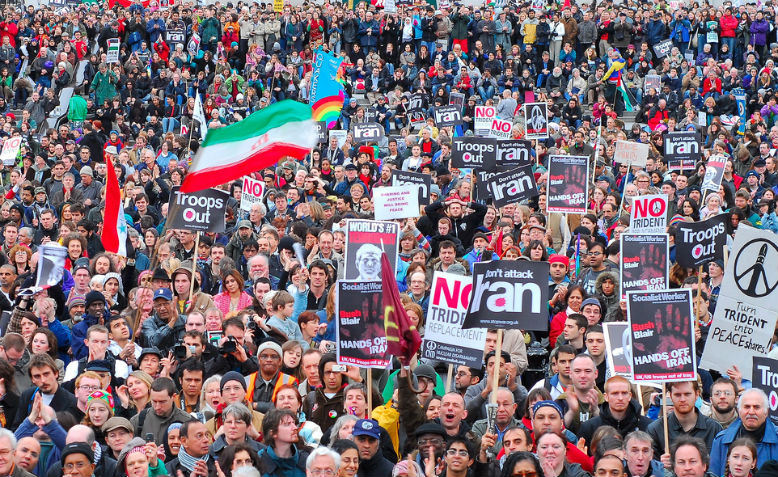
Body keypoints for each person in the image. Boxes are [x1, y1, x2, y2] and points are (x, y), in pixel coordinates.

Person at [710, 389, 778, 475]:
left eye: (756, 407)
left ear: (766, 412)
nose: (751, 412)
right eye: (747, 407)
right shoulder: (721, 440)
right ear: (739, 410)